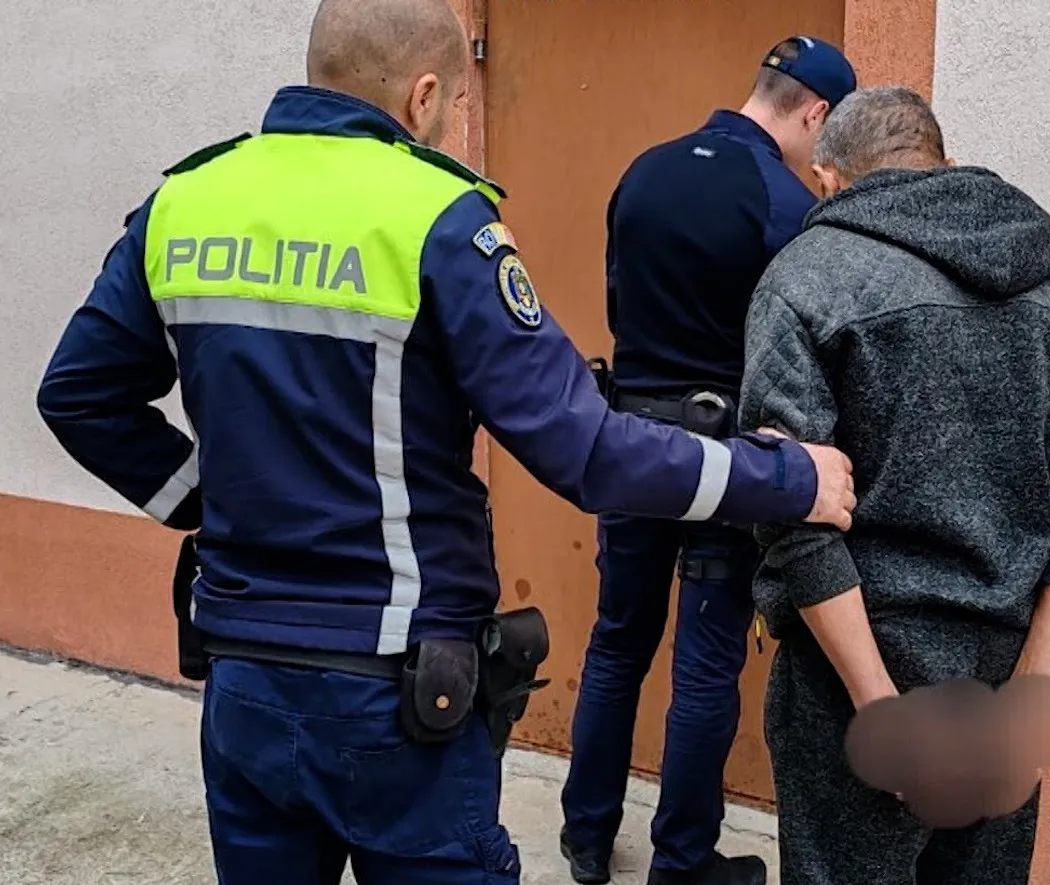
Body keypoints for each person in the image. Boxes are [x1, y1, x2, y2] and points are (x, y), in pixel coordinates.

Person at [34, 2, 859, 884]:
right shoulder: (436, 216)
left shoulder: (185, 201)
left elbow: (78, 395)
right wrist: (784, 476)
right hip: (394, 693)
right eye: (458, 100)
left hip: (244, 678)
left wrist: (207, 496)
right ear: (423, 94)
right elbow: (583, 450)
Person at [739, 86, 1050, 885]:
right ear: (944, 164)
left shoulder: (805, 280)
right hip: (1007, 675)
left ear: (828, 180)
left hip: (849, 679)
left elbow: (793, 510)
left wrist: (880, 707)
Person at [560, 36, 857, 885]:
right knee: (705, 662)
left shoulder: (643, 172)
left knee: (618, 639)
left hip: (628, 444)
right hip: (725, 461)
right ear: (816, 113)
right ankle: (682, 862)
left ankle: (586, 836)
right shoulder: (785, 204)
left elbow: (618, 300)